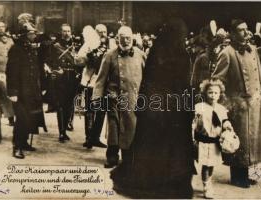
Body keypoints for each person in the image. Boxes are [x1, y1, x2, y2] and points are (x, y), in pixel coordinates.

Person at [110, 18, 195, 199]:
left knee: (154, 146)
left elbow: (147, 82)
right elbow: (183, 84)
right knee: (171, 147)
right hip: (172, 109)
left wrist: (145, 106)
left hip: (156, 108)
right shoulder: (181, 54)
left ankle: (155, 180)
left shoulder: (158, 51)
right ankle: (169, 183)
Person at [212, 19, 261, 188]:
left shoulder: (252, 49)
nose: (246, 33)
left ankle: (245, 173)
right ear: (232, 33)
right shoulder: (227, 53)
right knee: (238, 141)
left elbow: (259, 71)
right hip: (237, 105)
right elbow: (217, 80)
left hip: (254, 102)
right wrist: (226, 102)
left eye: (246, 29)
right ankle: (238, 177)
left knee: (251, 141)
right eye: (241, 30)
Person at [92, 25, 145, 168]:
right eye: (123, 38)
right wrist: (96, 98)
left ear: (132, 38)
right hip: (114, 98)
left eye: (128, 38)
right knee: (114, 128)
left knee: (130, 128)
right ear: (118, 39)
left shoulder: (140, 55)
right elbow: (101, 79)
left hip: (133, 98)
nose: (126, 41)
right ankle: (112, 157)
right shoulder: (110, 55)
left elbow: (147, 78)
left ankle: (128, 158)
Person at [6, 17, 46, 159]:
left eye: (34, 34)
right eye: (32, 33)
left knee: (29, 118)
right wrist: (13, 92)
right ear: (25, 35)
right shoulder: (16, 49)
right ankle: (17, 147)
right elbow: (11, 72)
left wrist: (41, 86)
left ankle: (24, 142)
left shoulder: (31, 48)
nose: (34, 36)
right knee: (21, 119)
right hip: (20, 92)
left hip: (32, 90)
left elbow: (36, 69)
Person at [193, 78, 233, 199]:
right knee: (205, 164)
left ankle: (208, 181)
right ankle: (206, 186)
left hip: (215, 142)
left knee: (212, 164)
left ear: (220, 94)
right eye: (210, 92)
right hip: (203, 141)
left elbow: (224, 121)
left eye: (216, 93)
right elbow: (195, 123)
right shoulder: (200, 107)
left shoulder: (221, 109)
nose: (213, 95)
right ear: (205, 93)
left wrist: (228, 126)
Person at [45, 24, 83, 143]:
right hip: (61, 78)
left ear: (71, 32)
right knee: (61, 105)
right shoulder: (55, 45)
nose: (66, 33)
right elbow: (48, 60)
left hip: (73, 77)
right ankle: (62, 132)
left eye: (68, 31)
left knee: (69, 104)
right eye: (64, 31)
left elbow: (81, 60)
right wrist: (55, 69)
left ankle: (66, 127)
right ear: (60, 32)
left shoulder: (76, 45)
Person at [80, 24, 109, 149]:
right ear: (95, 32)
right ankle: (89, 138)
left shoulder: (110, 45)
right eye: (100, 32)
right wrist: (89, 58)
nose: (102, 34)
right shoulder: (88, 44)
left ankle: (96, 137)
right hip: (91, 80)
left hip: (105, 82)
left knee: (102, 110)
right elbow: (78, 59)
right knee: (90, 109)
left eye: (104, 32)